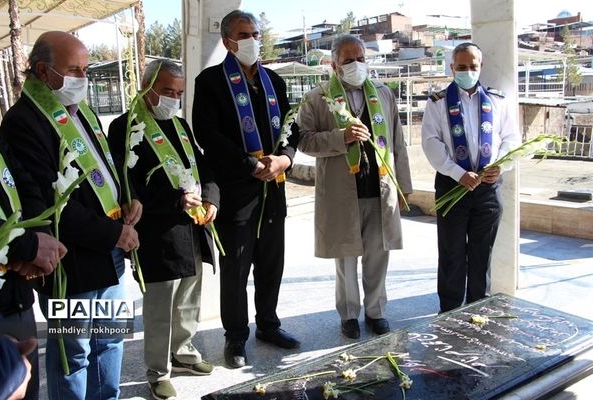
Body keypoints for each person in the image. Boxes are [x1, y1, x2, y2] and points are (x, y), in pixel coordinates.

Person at [0, 31, 141, 399]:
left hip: (112, 259)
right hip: (72, 265)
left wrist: (129, 199)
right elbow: (45, 200)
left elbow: (105, 172)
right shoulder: (24, 121)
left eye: (86, 69)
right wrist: (113, 235)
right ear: (44, 72)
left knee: (111, 343)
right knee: (73, 354)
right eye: (74, 70)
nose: (83, 78)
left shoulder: (85, 114)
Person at [192, 10, 300, 368]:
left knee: (271, 264)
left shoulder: (274, 81)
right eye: (245, 34)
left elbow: (290, 128)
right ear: (228, 41)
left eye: (256, 33)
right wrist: (249, 164)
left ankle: (268, 324)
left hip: (274, 188)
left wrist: (284, 159)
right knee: (236, 269)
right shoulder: (210, 81)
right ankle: (235, 337)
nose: (254, 39)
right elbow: (208, 135)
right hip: (238, 190)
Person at [108, 59, 219, 400]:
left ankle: (183, 352)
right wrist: (174, 199)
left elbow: (204, 167)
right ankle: (158, 370)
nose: (173, 98)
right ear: (147, 87)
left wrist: (212, 199)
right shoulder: (124, 127)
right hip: (157, 232)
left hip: (193, 227)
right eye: (167, 91)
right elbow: (129, 186)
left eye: (179, 93)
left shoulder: (181, 125)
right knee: (159, 306)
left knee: (190, 296)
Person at [297, 35, 412, 339]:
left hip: (379, 188)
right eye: (349, 60)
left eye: (360, 58)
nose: (356, 64)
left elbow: (398, 143)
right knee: (346, 258)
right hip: (341, 192)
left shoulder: (384, 95)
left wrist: (404, 187)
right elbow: (304, 140)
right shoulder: (317, 98)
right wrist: (341, 137)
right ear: (334, 65)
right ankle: (349, 314)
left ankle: (376, 311)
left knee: (378, 254)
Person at [421, 42, 520, 313]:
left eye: (472, 67)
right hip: (453, 186)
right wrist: (458, 173)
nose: (467, 71)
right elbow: (431, 143)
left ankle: (477, 306)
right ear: (452, 67)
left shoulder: (497, 100)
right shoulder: (438, 102)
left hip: (487, 188)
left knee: (481, 253)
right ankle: (450, 310)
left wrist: (501, 164)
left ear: (480, 67)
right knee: (452, 253)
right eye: (462, 67)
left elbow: (511, 138)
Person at [0, 124, 67, 400]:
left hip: (15, 294)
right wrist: (24, 245)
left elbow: (22, 183)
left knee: (24, 385)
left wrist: (37, 238)